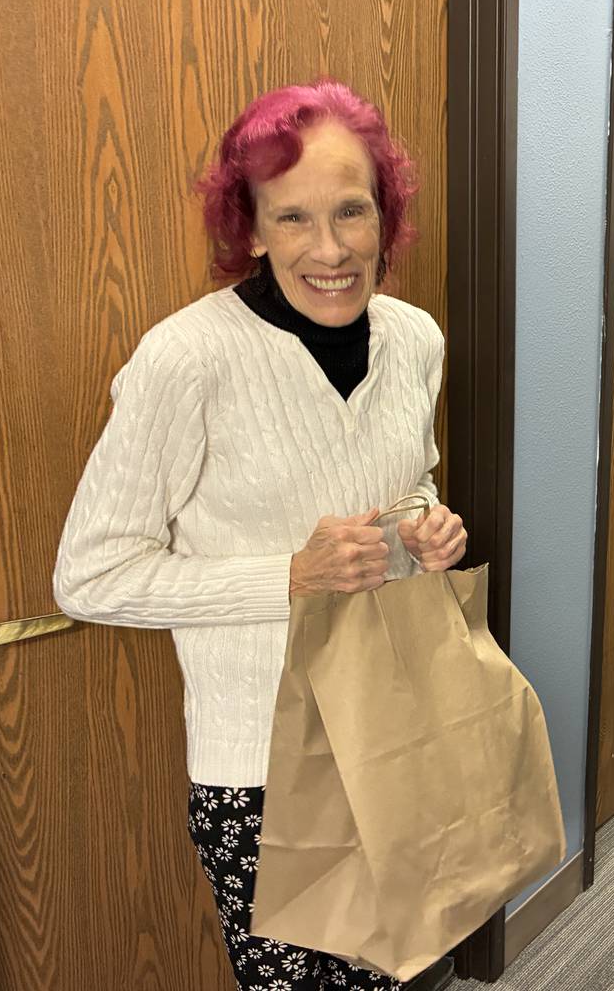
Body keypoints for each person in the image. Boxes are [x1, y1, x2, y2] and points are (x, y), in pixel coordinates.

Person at [54, 80, 465, 991]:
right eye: (293, 218)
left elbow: (407, 481)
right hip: (262, 770)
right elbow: (87, 577)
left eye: (353, 211)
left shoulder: (415, 339)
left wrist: (424, 529)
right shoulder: (185, 359)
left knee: (400, 970)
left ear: (385, 215)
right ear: (249, 227)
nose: (330, 249)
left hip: (396, 726)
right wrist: (289, 574)